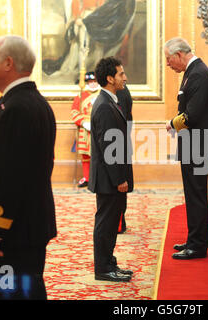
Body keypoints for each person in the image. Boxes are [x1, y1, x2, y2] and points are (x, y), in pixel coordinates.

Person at [0, 35, 57, 300]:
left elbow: (11, 177)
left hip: (14, 230)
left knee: (14, 295)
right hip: (25, 224)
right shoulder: (30, 102)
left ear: (8, 63)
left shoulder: (16, 108)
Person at [165, 37, 208, 260]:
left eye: (169, 59)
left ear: (179, 55)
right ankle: (193, 239)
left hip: (198, 143)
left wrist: (171, 123)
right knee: (192, 193)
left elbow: (193, 114)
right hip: (193, 142)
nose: (168, 64)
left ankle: (198, 245)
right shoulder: (192, 71)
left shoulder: (197, 72)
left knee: (196, 194)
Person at [89, 56, 134, 281]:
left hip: (111, 177)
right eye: (121, 74)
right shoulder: (105, 106)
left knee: (110, 221)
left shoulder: (110, 101)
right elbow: (110, 148)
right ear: (109, 79)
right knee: (105, 223)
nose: (125, 78)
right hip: (109, 179)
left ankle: (109, 263)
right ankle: (103, 269)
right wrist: (119, 179)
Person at [71, 71, 101, 188]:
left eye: (94, 81)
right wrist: (83, 122)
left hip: (99, 128)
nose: (92, 84)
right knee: (85, 155)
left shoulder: (102, 94)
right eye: (90, 82)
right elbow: (74, 111)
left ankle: (98, 178)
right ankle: (87, 178)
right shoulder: (80, 95)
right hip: (84, 129)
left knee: (99, 154)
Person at [116, 85, 133, 234]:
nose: (125, 78)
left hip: (117, 147)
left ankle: (119, 222)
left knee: (118, 188)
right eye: (122, 74)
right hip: (122, 144)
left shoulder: (120, 91)